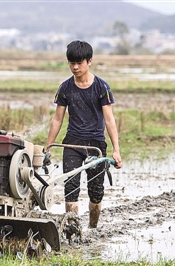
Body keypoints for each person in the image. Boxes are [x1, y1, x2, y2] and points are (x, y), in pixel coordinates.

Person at [46, 40, 122, 228]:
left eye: (79, 63)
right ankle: (73, 232)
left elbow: (109, 119)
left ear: (89, 61)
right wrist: (48, 146)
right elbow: (57, 119)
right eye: (72, 63)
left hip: (95, 145)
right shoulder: (65, 88)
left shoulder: (101, 87)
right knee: (70, 191)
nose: (75, 67)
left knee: (96, 194)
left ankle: (93, 229)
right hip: (72, 143)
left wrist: (116, 150)